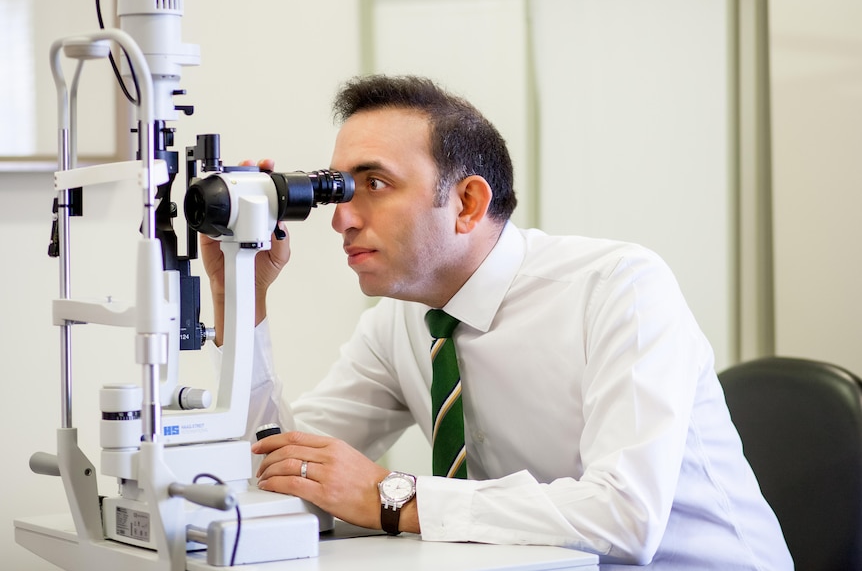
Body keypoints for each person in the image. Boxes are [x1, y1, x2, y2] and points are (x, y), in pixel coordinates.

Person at [200, 74, 792, 569]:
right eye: (341, 190)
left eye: (374, 184)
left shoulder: (619, 288)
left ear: (468, 204)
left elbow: (625, 518)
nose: (343, 219)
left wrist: (391, 497)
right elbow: (278, 472)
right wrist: (239, 298)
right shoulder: (400, 326)